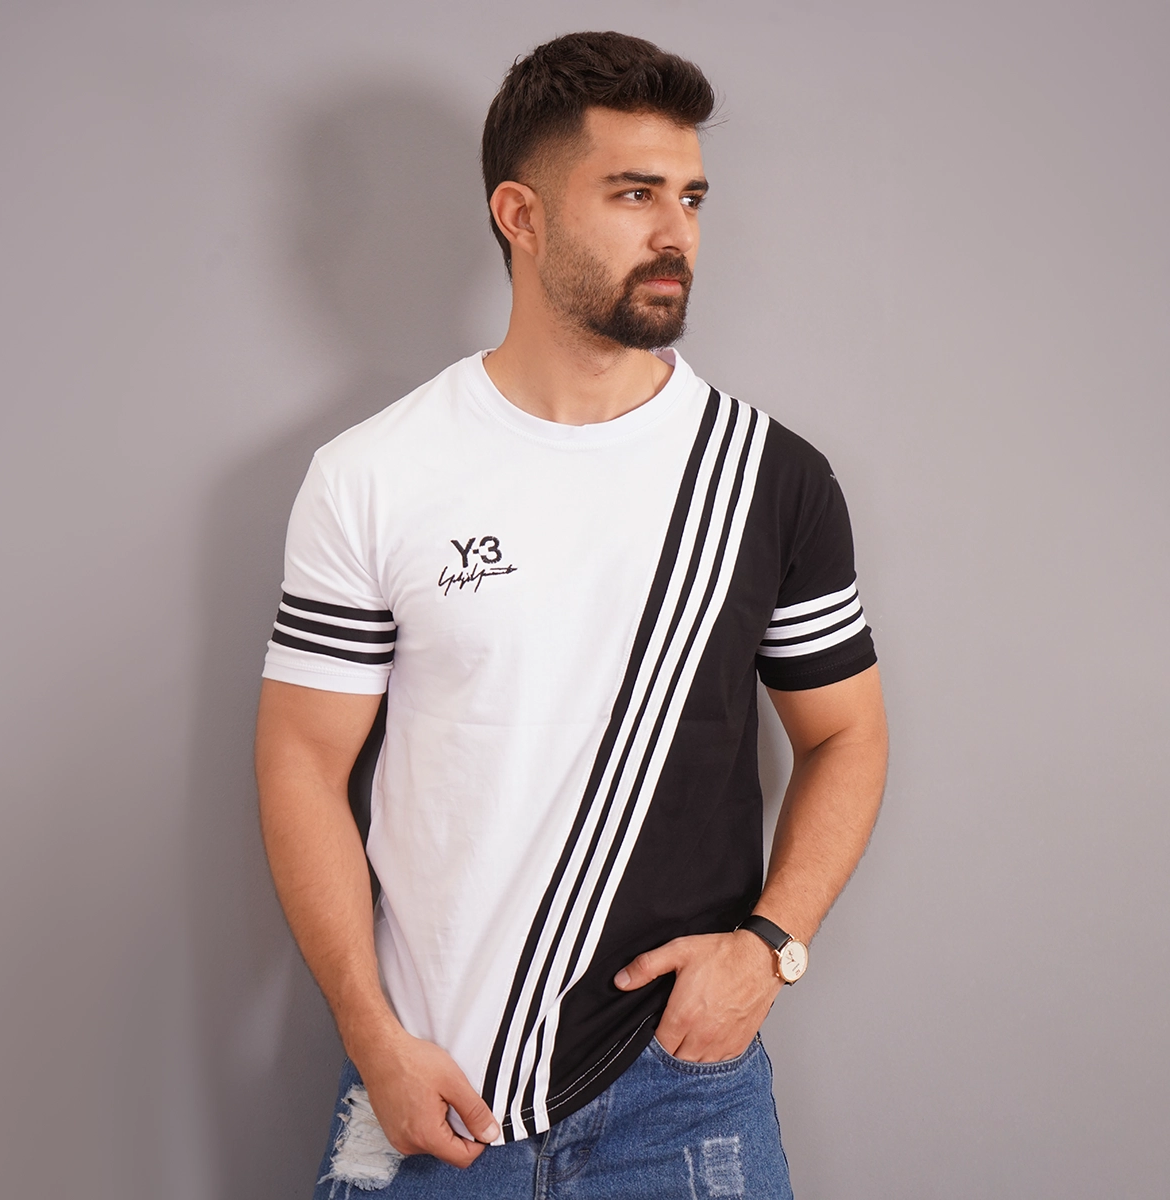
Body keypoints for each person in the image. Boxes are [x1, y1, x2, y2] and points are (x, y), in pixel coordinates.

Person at [255, 30, 888, 1200]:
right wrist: (369, 1032)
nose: (676, 231)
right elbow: (301, 760)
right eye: (634, 194)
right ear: (522, 215)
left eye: (691, 197)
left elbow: (846, 733)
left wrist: (770, 950)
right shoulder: (373, 475)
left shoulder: (768, 479)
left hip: (681, 1090)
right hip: (431, 1084)